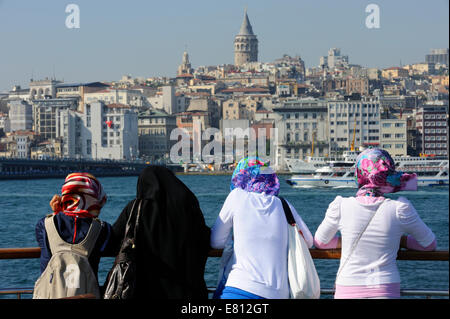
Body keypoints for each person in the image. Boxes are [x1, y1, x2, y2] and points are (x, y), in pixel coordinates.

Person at [314, 148, 437, 299]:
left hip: (348, 287)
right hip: (385, 287)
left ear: (358, 173)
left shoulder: (340, 206)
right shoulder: (400, 208)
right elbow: (429, 244)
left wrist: (345, 241)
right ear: (388, 173)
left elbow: (320, 242)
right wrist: (401, 241)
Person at [210, 156, 314, 299]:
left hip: (240, 287)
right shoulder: (283, 205)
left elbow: (216, 242)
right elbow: (308, 241)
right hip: (278, 294)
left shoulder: (237, 196)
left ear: (240, 177)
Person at [107, 165, 211, 299]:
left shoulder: (136, 207)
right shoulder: (188, 206)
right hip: (188, 291)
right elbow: (205, 238)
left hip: (145, 290)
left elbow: (114, 237)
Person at [36, 172, 112, 284]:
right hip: (87, 293)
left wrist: (57, 213)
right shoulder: (103, 229)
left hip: (50, 293)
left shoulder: (44, 225)